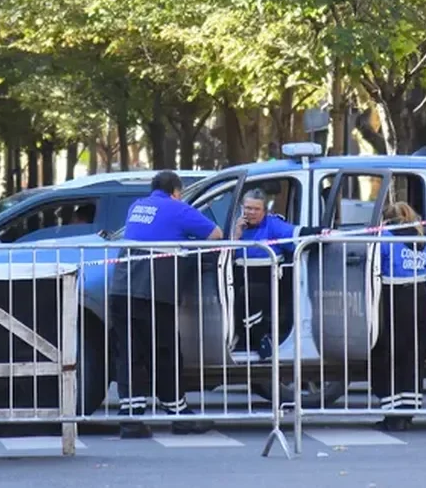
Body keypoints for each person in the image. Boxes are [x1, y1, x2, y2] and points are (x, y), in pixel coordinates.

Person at [110, 170, 221, 438]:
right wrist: (186, 243)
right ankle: (178, 413)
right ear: (175, 190)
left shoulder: (137, 206)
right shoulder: (177, 208)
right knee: (165, 353)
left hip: (122, 287)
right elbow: (216, 235)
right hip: (153, 290)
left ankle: (131, 419)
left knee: (129, 353)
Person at [371, 201, 426, 431]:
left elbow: (376, 265)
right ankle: (408, 412)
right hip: (421, 298)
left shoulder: (385, 237)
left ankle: (392, 414)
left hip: (394, 299)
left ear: (387, 219)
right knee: (413, 356)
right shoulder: (423, 241)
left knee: (388, 356)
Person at [231, 187, 297, 360]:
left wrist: (324, 232)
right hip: (238, 278)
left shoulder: (273, 224)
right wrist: (235, 235)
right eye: (248, 208)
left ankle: (260, 338)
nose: (251, 212)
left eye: (256, 209)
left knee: (251, 294)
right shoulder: (235, 226)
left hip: (268, 280)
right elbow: (222, 252)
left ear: (264, 211)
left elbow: (296, 235)